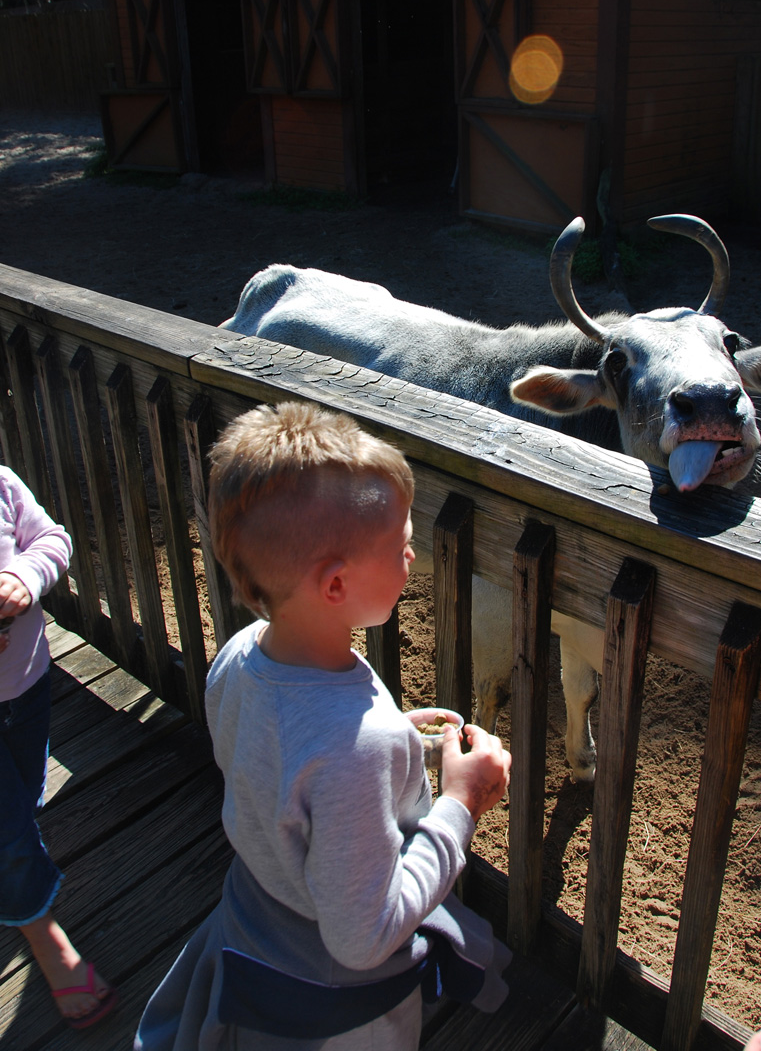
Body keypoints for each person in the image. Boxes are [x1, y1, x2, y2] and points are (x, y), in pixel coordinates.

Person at [135, 400, 514, 1050]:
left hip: (257, 920)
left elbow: (285, 759)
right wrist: (461, 802)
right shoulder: (353, 746)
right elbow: (365, 937)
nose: (412, 555)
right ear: (335, 585)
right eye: (398, 547)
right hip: (339, 1008)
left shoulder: (243, 652)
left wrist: (390, 732)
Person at [0, 464, 117, 1029]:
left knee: (26, 791)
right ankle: (43, 935)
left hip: (26, 687)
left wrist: (25, 575)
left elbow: (53, 539)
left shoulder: (1, 484)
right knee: (10, 834)